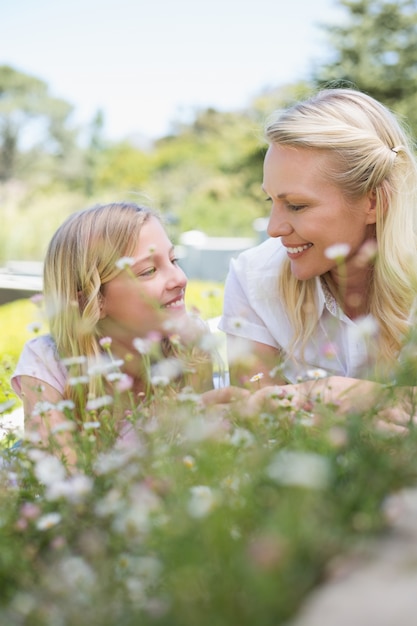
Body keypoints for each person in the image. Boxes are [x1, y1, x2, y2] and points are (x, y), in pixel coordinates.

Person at [219, 88, 417, 402]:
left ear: (374, 201)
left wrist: (341, 395)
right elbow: (256, 422)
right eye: (270, 201)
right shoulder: (253, 278)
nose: (274, 229)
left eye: (296, 205)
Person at [11, 202, 234, 463]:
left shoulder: (189, 343)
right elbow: (62, 480)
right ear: (91, 302)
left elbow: (198, 461)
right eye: (149, 270)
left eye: (174, 260)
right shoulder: (46, 365)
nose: (179, 279)